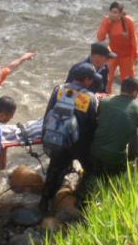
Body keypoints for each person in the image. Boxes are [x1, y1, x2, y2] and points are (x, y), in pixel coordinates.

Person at [39, 63, 99, 213]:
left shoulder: (59, 90)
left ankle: (44, 202)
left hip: (58, 139)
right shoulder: (90, 97)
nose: (92, 82)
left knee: (54, 170)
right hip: (79, 143)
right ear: (86, 79)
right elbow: (92, 124)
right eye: (91, 79)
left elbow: (47, 115)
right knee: (90, 168)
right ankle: (80, 199)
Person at [86, 77, 138, 188]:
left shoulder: (105, 102)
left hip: (95, 152)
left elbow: (98, 120)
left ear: (121, 89)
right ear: (135, 92)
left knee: (94, 178)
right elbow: (133, 131)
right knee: (114, 183)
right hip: (116, 157)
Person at [97, 2, 138, 94]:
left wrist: (136, 55)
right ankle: (107, 95)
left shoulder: (129, 21)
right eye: (111, 12)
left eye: (115, 12)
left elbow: (134, 39)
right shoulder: (107, 21)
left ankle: (126, 97)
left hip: (127, 55)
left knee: (128, 80)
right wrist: (107, 23)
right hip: (113, 54)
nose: (112, 14)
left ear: (120, 13)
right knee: (108, 77)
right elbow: (100, 38)